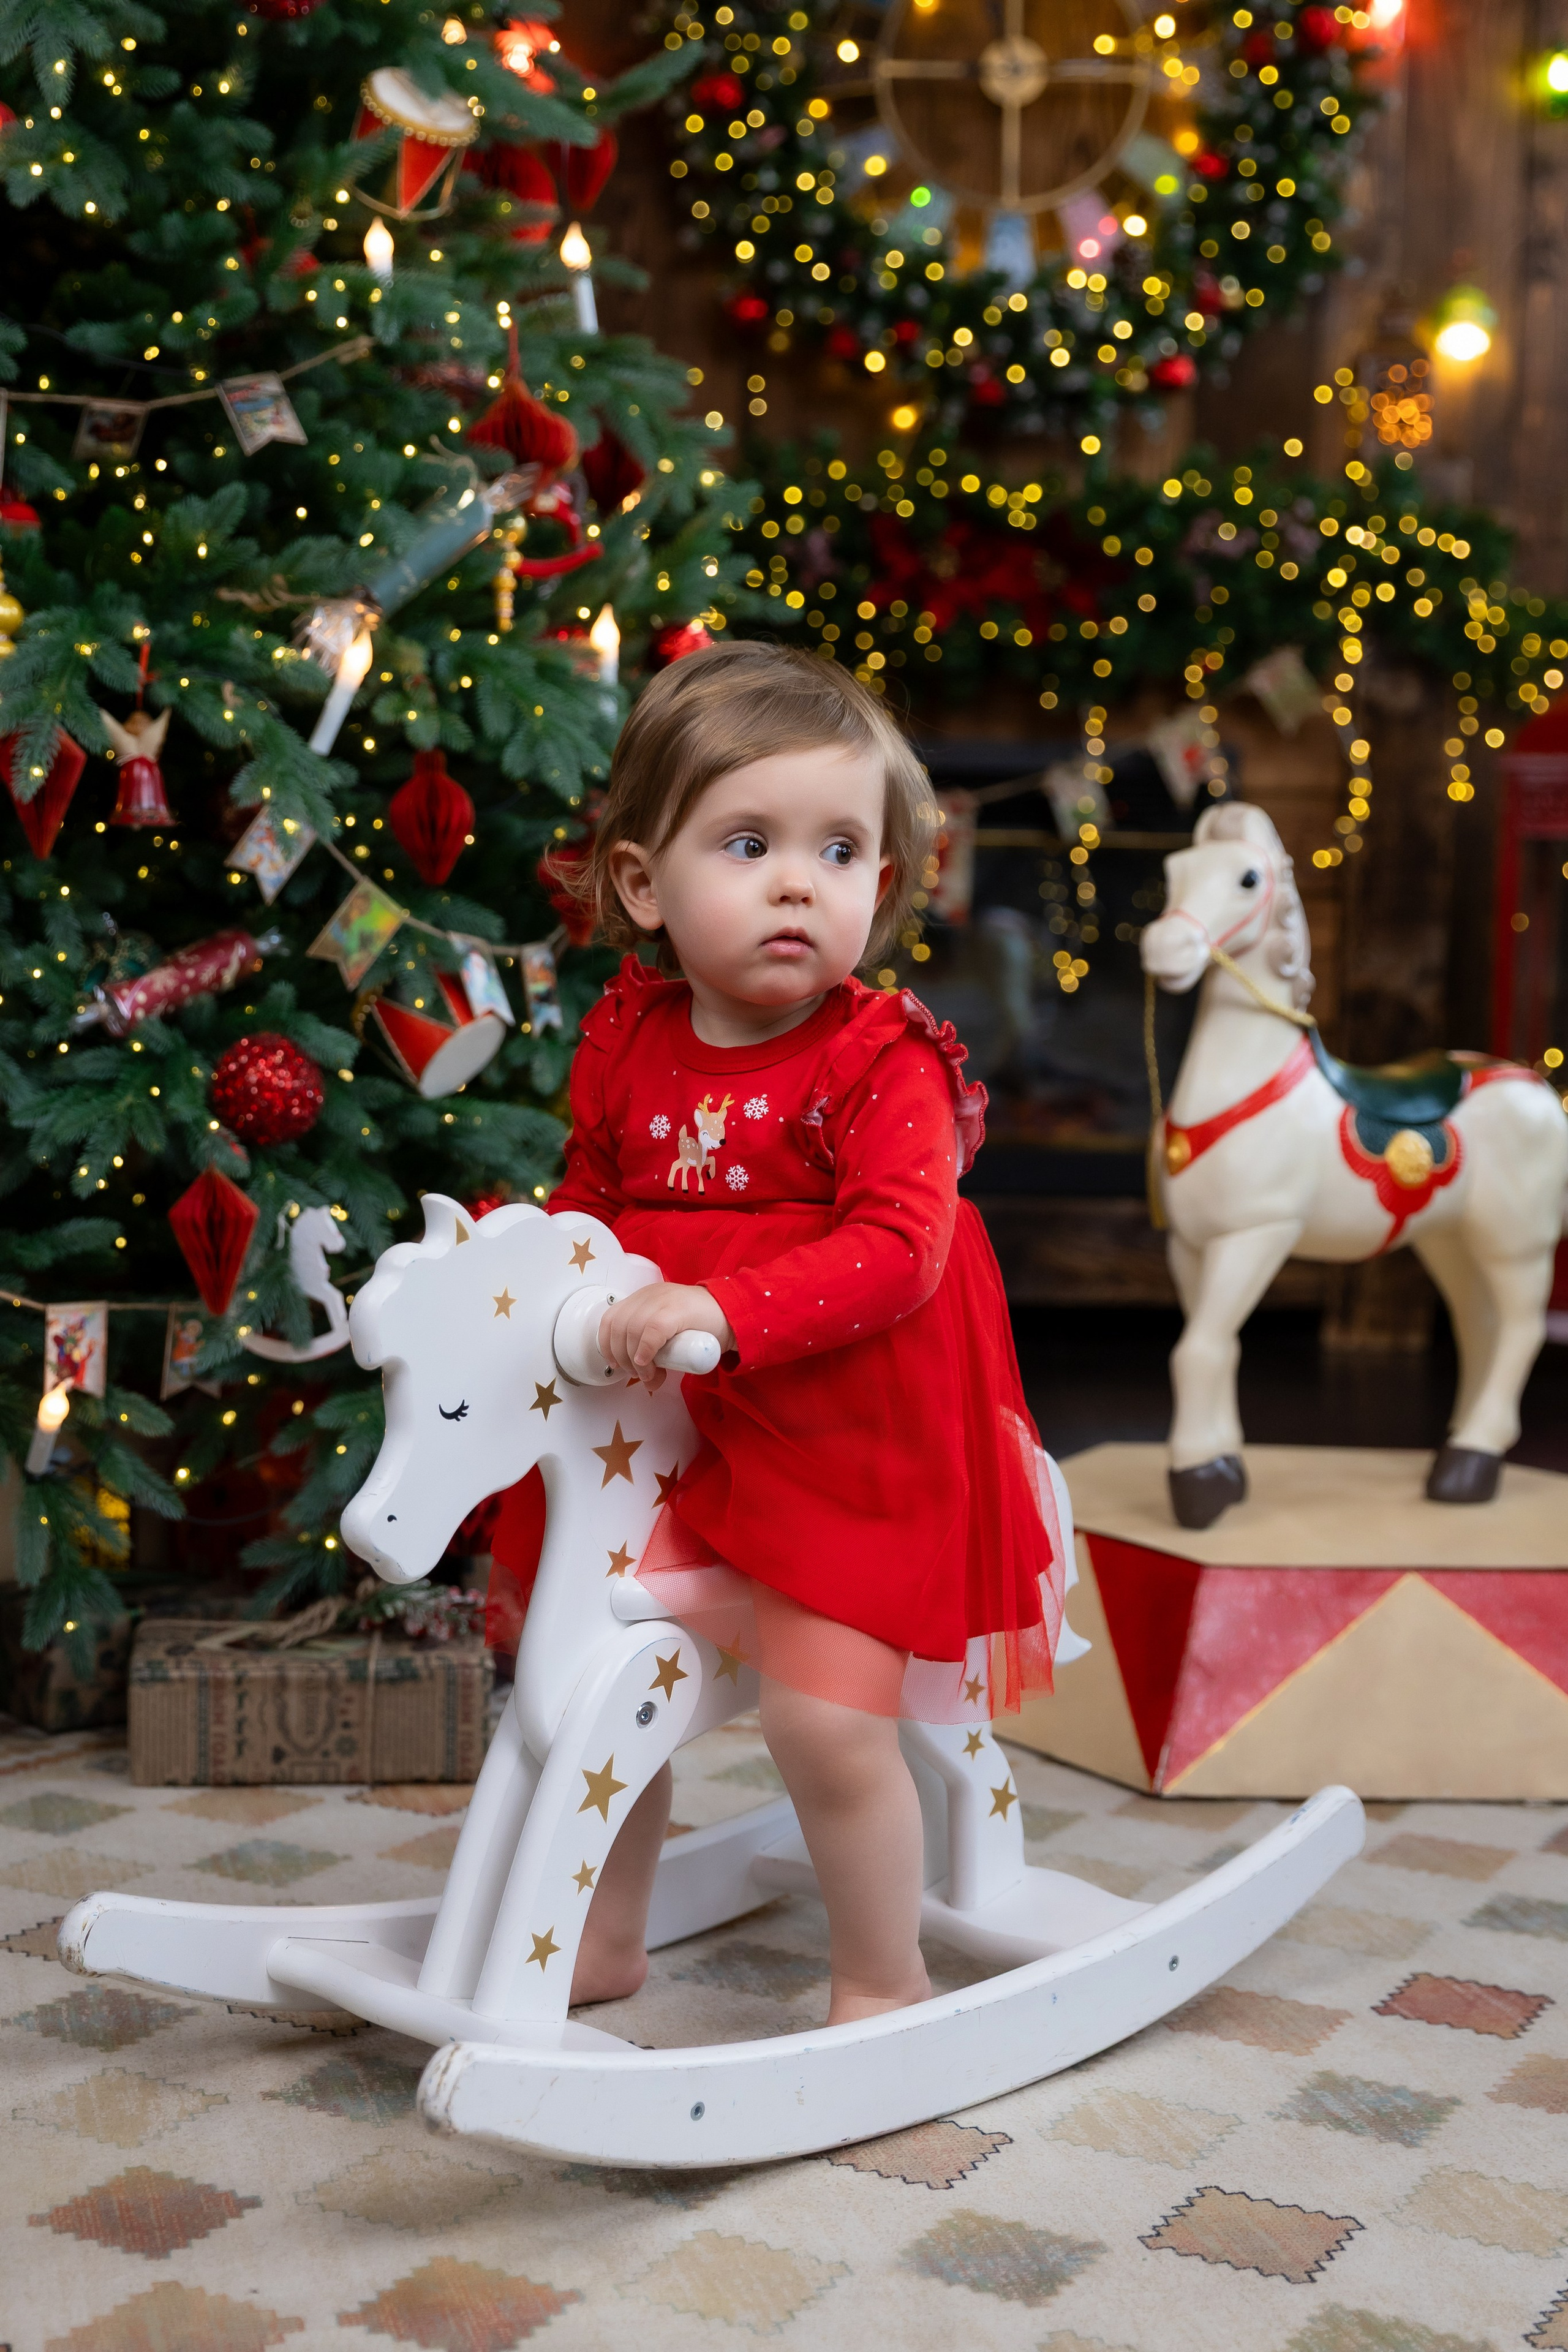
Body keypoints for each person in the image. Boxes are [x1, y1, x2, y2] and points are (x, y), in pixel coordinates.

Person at [543, 640, 1065, 2026]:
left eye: (839, 849)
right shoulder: (625, 1039)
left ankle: (878, 1981)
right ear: (645, 884)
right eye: (749, 842)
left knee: (823, 1725)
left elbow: (902, 1252)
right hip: (672, 1425)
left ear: (879, 887)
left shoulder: (876, 1059)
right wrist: (543, 1286)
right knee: (592, 1686)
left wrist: (721, 1303)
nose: (798, 880)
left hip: (848, 1432)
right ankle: (597, 1940)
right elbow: (583, 1208)